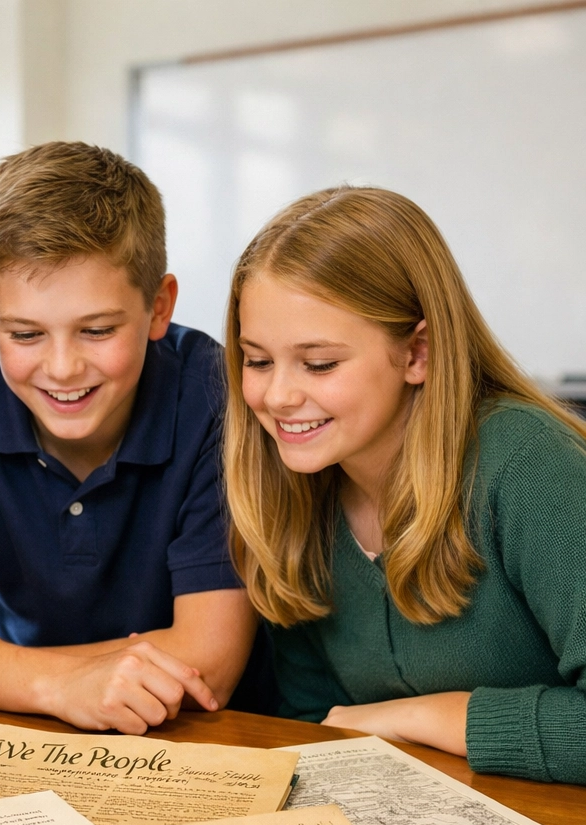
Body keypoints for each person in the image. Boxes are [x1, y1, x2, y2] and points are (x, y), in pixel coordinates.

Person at [0, 141, 268, 735]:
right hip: (30, 721)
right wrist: (59, 686)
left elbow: (208, 662)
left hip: (199, 732)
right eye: (26, 334)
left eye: (97, 330)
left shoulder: (216, 395)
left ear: (159, 307)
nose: (62, 369)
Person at [222, 184, 586, 785]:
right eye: (257, 360)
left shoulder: (528, 463)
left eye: (319, 364)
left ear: (418, 353)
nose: (277, 395)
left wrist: (425, 716)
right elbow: (320, 723)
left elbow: (363, 724)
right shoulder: (294, 490)